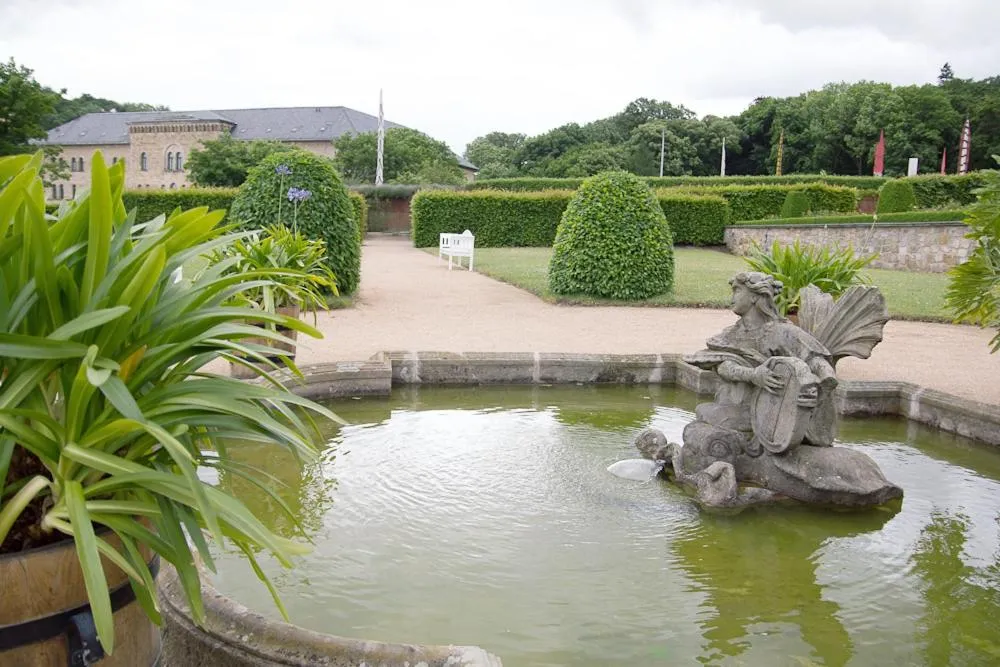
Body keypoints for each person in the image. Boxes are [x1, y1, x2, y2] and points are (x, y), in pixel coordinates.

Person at [686, 271, 838, 452]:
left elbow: (816, 360)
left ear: (754, 297)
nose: (732, 298)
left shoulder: (782, 332)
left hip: (771, 412)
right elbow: (723, 365)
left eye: (737, 291)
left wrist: (820, 385)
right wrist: (753, 375)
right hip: (738, 405)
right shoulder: (729, 335)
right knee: (704, 411)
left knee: (706, 415)